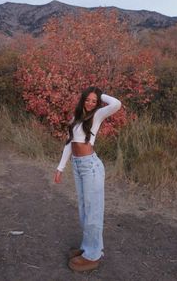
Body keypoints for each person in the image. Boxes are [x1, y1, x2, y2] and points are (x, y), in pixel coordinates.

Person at [54, 86, 121, 272]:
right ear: (82, 99)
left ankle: (93, 255)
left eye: (94, 100)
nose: (91, 103)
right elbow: (69, 144)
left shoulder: (97, 115)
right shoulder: (75, 119)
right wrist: (60, 168)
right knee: (85, 209)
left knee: (93, 211)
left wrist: (101, 95)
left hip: (91, 167)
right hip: (78, 166)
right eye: (88, 99)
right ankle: (87, 247)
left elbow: (117, 104)